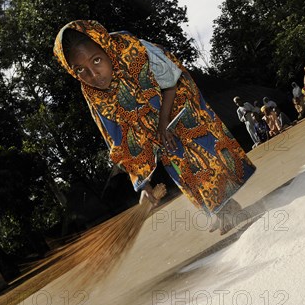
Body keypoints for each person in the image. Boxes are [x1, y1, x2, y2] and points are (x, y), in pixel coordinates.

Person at [54, 20, 255, 233]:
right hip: (153, 129)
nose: (93, 75)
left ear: (105, 47)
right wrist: (142, 183)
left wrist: (164, 122)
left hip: (178, 106)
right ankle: (212, 210)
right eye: (80, 70)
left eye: (96, 61)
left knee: (198, 158)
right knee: (178, 168)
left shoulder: (134, 49)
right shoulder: (93, 93)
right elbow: (116, 137)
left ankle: (228, 209)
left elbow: (171, 80)